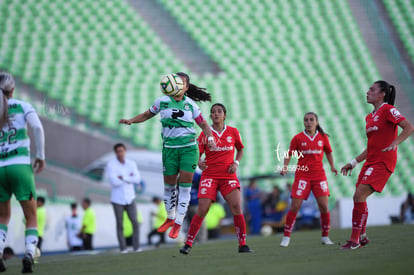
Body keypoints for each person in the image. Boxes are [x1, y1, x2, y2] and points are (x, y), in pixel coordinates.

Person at [119, 72, 216, 239]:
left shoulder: (191, 105)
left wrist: (211, 139)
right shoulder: (161, 102)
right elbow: (146, 114)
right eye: (176, 81)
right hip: (169, 149)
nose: (177, 84)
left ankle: (178, 223)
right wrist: (131, 120)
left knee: (184, 186)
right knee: (169, 187)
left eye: (181, 82)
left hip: (188, 149)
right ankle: (170, 218)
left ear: (185, 87)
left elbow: (204, 125)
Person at [340, 81, 414, 249]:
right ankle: (363, 236)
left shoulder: (388, 110)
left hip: (382, 162)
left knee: (359, 195)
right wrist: (354, 162)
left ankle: (354, 240)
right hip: (370, 161)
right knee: (358, 197)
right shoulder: (369, 117)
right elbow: (372, 146)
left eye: (372, 90)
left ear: (382, 94)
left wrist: (395, 143)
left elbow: (409, 127)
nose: (367, 92)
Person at [180, 103, 253, 254]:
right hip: (210, 176)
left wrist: (236, 162)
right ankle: (188, 243)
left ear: (225, 115)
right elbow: (196, 154)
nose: (216, 114)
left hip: (228, 176)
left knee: (237, 207)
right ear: (210, 116)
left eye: (219, 111)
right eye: (213, 112)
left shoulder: (233, 132)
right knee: (202, 209)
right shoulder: (205, 134)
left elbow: (240, 149)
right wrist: (199, 162)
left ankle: (242, 244)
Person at [0, 72, 45, 273]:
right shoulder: (22, 106)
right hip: (20, 165)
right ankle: (29, 253)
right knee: (31, 215)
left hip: (0, 167)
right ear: (13, 89)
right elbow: (37, 127)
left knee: (2, 217)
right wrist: (40, 155)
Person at [280, 112, 338, 247]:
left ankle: (325, 237)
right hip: (303, 175)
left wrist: (333, 167)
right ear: (303, 122)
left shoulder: (323, 138)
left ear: (316, 122)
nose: (308, 122)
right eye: (306, 120)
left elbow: (328, 152)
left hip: (319, 175)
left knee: (324, 206)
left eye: (311, 120)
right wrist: (285, 167)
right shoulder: (298, 138)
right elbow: (288, 154)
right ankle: (286, 237)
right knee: (295, 206)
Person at [105, 143, 141, 253]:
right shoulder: (111, 165)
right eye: (118, 151)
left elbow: (137, 179)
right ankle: (123, 247)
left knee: (135, 222)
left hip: (130, 197)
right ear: (115, 152)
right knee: (120, 224)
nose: (120, 153)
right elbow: (114, 182)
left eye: (122, 151)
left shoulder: (131, 163)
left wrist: (123, 177)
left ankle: (136, 246)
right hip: (117, 199)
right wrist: (129, 177)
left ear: (125, 151)